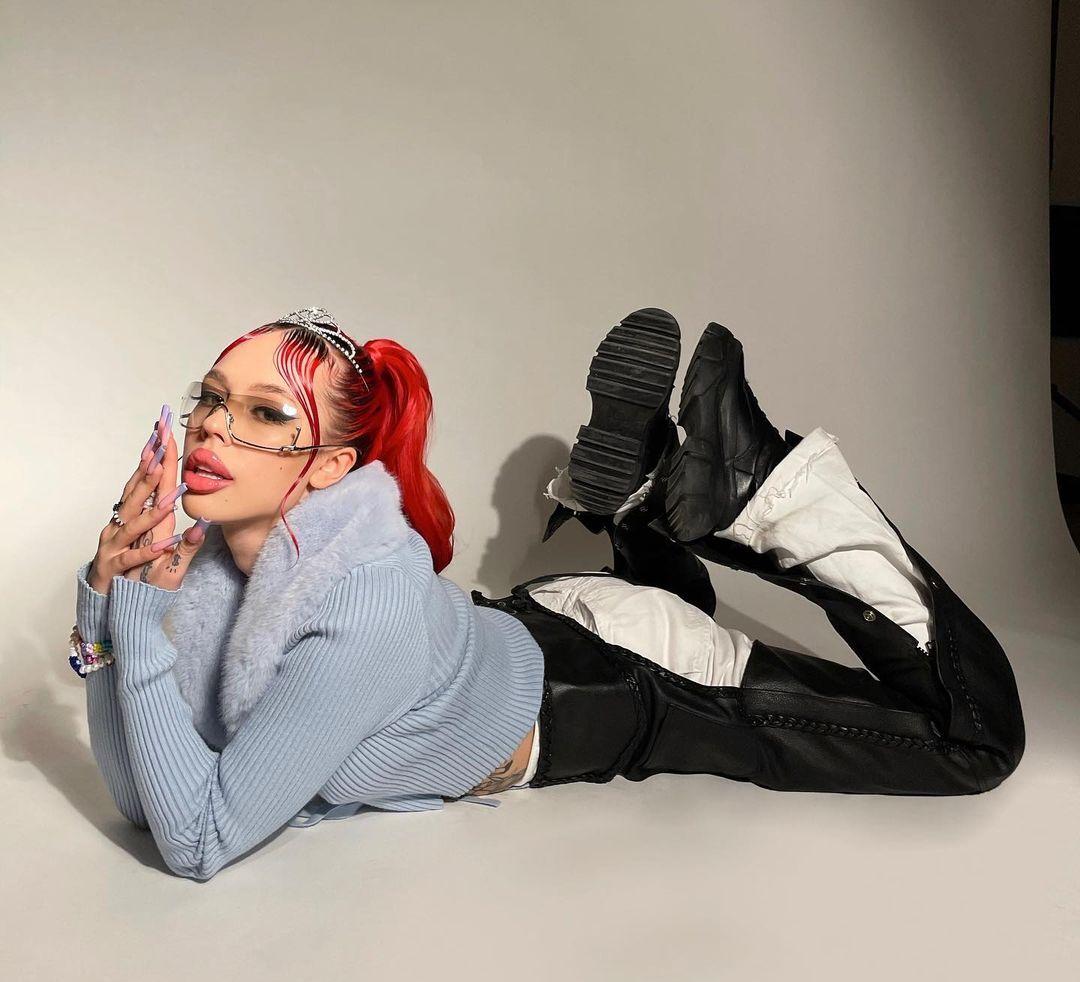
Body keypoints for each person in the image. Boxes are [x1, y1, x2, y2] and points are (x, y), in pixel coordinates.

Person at [71, 307, 1024, 881]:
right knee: (673, 611)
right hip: (536, 623)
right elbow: (141, 800)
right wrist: (108, 599)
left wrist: (129, 621)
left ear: (328, 467)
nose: (210, 427)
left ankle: (770, 490)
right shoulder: (213, 566)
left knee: (972, 743)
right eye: (210, 397)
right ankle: (645, 498)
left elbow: (198, 838)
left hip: (620, 674)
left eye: (261, 412)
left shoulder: (359, 605)